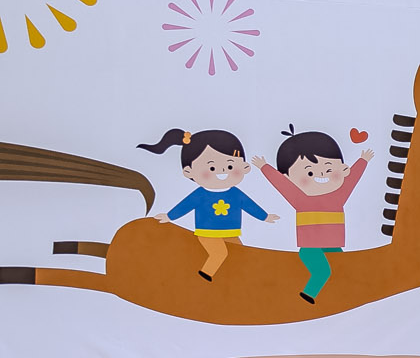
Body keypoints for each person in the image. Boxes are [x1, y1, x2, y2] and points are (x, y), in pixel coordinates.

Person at [257, 127, 371, 304]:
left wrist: (362, 161)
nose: (320, 175)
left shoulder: (338, 196)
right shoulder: (300, 199)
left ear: (343, 169)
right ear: (289, 177)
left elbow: (352, 180)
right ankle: (308, 294)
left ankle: (343, 296)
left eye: (328, 168)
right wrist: (265, 168)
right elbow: (281, 185)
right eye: (309, 172)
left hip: (333, 246)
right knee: (322, 271)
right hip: (309, 248)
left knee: (342, 268)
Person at [139, 128, 270, 280]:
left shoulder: (235, 194)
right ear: (189, 172)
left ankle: (234, 279)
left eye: (230, 166)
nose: (222, 172)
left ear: (244, 167)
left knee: (240, 255)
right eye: (212, 167)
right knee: (219, 253)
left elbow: (249, 206)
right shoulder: (200, 195)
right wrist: (169, 216)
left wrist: (264, 216)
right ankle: (205, 275)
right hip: (207, 233)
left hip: (231, 233)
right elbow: (185, 206)